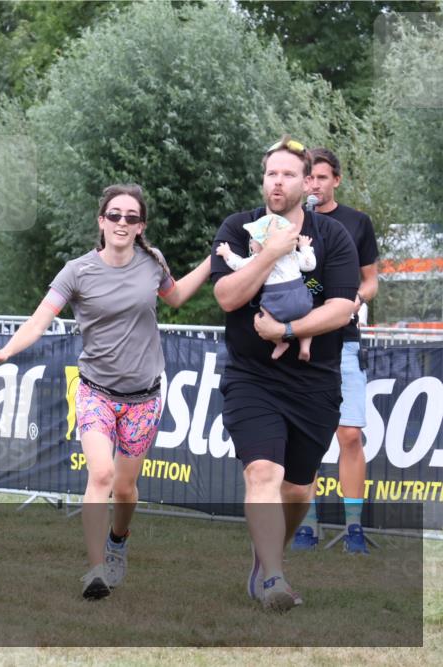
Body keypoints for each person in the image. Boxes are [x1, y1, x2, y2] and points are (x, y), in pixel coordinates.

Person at [0, 183, 211, 600]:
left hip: (144, 396)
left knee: (126, 490)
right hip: (95, 390)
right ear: (101, 221)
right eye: (115, 215)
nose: (122, 223)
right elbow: (40, 319)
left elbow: (177, 296)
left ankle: (117, 541)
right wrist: (6, 351)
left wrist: (212, 262)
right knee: (101, 474)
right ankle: (95, 570)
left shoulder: (152, 261)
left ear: (141, 225)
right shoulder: (77, 270)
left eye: (131, 217)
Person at [210, 136, 358, 612]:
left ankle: (265, 558)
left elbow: (341, 307)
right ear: (263, 178)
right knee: (262, 472)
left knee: (296, 488)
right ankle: (273, 577)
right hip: (251, 376)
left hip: (314, 380)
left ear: (307, 183)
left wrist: (288, 329)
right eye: (271, 173)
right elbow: (228, 297)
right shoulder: (238, 228)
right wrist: (271, 252)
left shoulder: (332, 236)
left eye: (289, 174)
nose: (279, 181)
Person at [292, 147, 380, 553]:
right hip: (300, 339)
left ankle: (354, 528)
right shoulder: (289, 222)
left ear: (336, 180)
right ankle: (306, 525)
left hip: (343, 341)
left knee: (349, 434)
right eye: (309, 178)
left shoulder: (357, 222)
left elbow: (371, 281)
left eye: (322, 178)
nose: (314, 185)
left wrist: (354, 301)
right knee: (304, 436)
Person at [217, 215, 316, 361]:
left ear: (264, 243)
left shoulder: (259, 258)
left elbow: (238, 265)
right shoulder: (293, 255)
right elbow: (310, 264)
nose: (250, 243)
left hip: (276, 300)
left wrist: (227, 253)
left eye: (254, 239)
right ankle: (305, 347)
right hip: (301, 297)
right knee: (306, 319)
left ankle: (280, 343)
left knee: (264, 319)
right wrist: (305, 247)